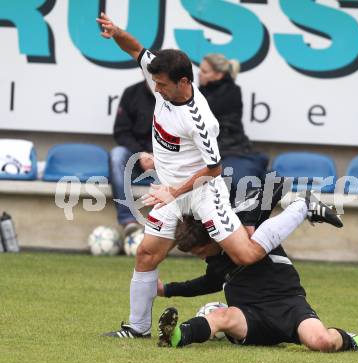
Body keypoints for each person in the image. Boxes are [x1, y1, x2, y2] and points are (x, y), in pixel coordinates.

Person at [96, 13, 343, 340]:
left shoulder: (200, 122)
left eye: (162, 85)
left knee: (246, 255)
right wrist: (116, 33)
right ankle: (136, 327)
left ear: (184, 83)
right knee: (146, 253)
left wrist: (174, 190)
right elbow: (137, 50)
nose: (156, 88)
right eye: (155, 82)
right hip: (170, 191)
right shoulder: (163, 76)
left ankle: (301, 207)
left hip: (202, 192)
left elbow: (213, 169)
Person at [155, 195, 358, 352]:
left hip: (288, 306)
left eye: (201, 251)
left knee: (321, 342)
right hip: (250, 316)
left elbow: (272, 186)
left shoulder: (249, 233)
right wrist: (167, 290)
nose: (201, 256)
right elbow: (206, 284)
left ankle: (349, 340)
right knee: (222, 316)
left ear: (213, 237)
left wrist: (254, 217)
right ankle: (177, 336)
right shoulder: (215, 262)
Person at [198, 54, 268, 202]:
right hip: (213, 151)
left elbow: (211, 123)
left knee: (234, 179)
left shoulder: (231, 92)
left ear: (218, 75)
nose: (199, 73)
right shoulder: (200, 92)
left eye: (204, 71)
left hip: (232, 150)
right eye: (200, 70)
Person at [109, 81, 156, 235]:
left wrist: (159, 157)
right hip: (135, 155)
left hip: (167, 158)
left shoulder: (177, 97)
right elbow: (121, 131)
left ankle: (164, 227)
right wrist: (141, 153)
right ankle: (127, 219)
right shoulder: (131, 93)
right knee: (116, 155)